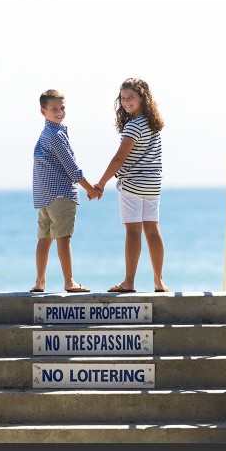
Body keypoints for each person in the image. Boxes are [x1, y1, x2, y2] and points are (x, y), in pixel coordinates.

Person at [93, 78, 168, 293]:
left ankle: (129, 282)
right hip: (152, 184)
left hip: (133, 185)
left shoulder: (133, 126)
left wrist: (101, 183)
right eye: (123, 98)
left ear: (142, 97)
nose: (126, 102)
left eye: (131, 97)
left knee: (133, 232)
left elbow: (119, 159)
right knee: (152, 230)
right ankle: (159, 281)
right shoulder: (154, 124)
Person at [30, 89, 100, 293]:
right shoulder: (56, 134)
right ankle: (69, 282)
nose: (59, 112)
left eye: (62, 108)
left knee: (44, 238)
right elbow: (71, 166)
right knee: (63, 237)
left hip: (44, 196)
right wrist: (90, 189)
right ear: (43, 112)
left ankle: (40, 282)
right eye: (54, 109)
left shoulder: (45, 134)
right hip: (60, 194)